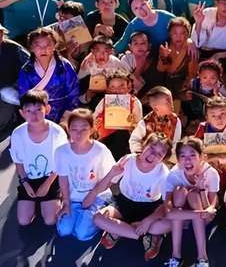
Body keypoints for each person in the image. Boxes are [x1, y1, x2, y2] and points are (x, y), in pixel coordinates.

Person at [89, 134, 171, 260]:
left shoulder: (163, 172)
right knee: (98, 218)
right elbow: (105, 185)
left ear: (163, 159)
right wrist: (111, 173)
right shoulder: (128, 160)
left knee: (168, 224)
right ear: (144, 145)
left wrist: (149, 220)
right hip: (123, 204)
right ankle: (142, 235)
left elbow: (166, 204)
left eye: (160, 154)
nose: (153, 155)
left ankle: (119, 229)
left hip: (149, 209)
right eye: (151, 148)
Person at [150, 137, 219, 267]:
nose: (187, 160)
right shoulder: (174, 175)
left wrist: (202, 189)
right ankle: (176, 255)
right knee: (179, 191)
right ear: (178, 160)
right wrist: (197, 214)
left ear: (202, 157)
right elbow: (169, 212)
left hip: (201, 216)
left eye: (192, 155)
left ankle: (202, 257)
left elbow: (210, 210)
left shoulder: (211, 173)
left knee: (193, 195)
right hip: (182, 216)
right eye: (183, 156)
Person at [55, 108, 116, 241]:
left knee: (82, 234)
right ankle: (80, 216)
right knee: (64, 230)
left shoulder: (100, 150)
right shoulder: (61, 151)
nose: (79, 133)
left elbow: (110, 179)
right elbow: (63, 179)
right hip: (73, 198)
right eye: (74, 129)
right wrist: (66, 203)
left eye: (84, 129)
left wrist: (93, 194)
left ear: (92, 129)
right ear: (68, 129)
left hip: (96, 197)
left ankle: (104, 211)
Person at [10, 90, 68, 226]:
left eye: (38, 109)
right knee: (23, 221)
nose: (34, 115)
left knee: (50, 220)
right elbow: (18, 161)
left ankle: (56, 198)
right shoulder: (18, 133)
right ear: (22, 113)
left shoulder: (57, 132)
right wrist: (25, 183)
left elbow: (61, 161)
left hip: (51, 178)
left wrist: (47, 184)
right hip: (28, 178)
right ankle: (35, 204)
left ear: (47, 109)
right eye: (28, 111)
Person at [18, 27, 79, 123]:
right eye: (38, 46)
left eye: (48, 45)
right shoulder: (26, 70)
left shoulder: (64, 65)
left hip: (64, 112)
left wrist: (70, 112)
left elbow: (74, 91)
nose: (43, 49)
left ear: (55, 46)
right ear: (31, 48)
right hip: (38, 113)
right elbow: (24, 97)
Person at [193, 96, 226, 182]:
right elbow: (194, 147)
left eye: (222, 114)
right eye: (213, 115)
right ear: (207, 118)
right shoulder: (203, 128)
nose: (219, 119)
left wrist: (221, 158)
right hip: (207, 164)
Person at [156, 17, 198, 104]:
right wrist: (164, 57)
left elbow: (192, 73)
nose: (178, 37)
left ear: (187, 34)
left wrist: (186, 88)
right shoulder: (165, 46)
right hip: (165, 82)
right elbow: (160, 70)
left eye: (182, 33)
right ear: (170, 34)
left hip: (182, 84)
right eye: (175, 33)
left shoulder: (191, 49)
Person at [130, 86, 182, 153]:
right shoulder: (145, 123)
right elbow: (134, 140)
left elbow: (175, 142)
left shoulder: (175, 120)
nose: (172, 104)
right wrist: (139, 152)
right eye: (167, 102)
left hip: (166, 156)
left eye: (171, 100)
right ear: (156, 108)